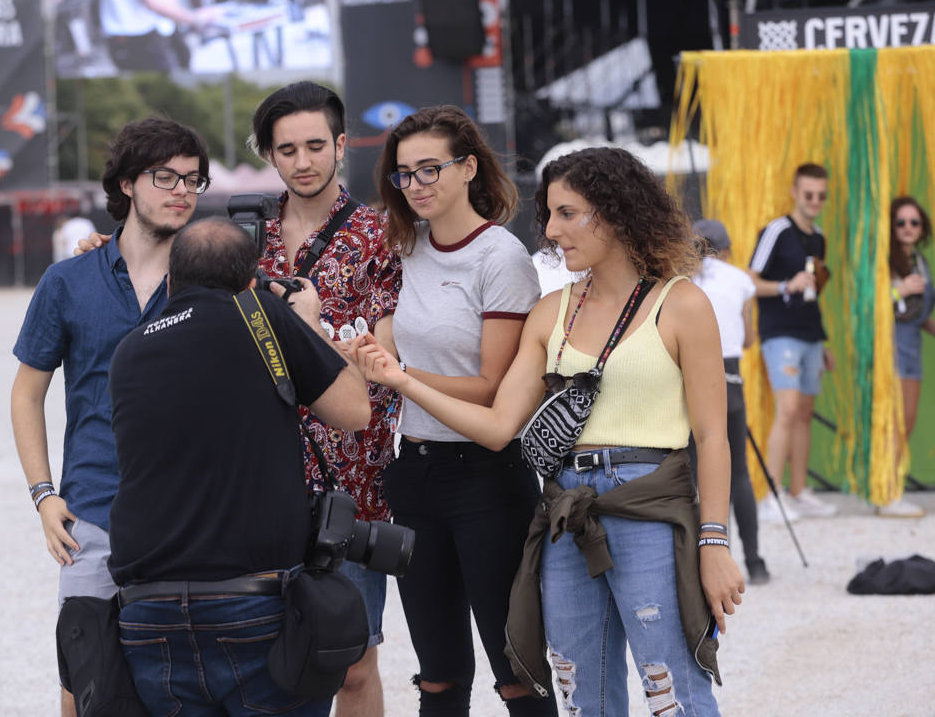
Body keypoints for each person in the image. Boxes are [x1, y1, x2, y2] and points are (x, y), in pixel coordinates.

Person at [354, 146, 744, 715]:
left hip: (652, 508)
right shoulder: (550, 310)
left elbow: (713, 437)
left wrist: (714, 542)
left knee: (673, 692)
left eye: (567, 213)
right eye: (549, 215)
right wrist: (402, 380)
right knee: (579, 694)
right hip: (564, 512)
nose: (551, 231)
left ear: (615, 212)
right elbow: (496, 428)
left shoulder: (681, 303)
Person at [107, 217, 371, 717]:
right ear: (250, 285)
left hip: (148, 610)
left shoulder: (129, 350)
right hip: (253, 604)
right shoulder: (261, 314)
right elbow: (353, 411)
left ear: (170, 281)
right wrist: (307, 322)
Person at [11, 117, 208, 717]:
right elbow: (26, 394)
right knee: (86, 686)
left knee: (184, 689)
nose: (182, 190)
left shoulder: (215, 281)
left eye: (194, 180)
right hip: (94, 512)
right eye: (165, 176)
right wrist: (45, 496)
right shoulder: (68, 281)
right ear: (127, 183)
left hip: (193, 518)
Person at [372, 105, 556, 716]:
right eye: (405, 174)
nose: (417, 184)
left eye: (431, 169)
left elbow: (493, 387)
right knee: (438, 677)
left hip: (486, 477)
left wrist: (398, 377)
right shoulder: (404, 248)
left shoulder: (500, 258)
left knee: (516, 672)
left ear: (469, 167)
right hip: (414, 473)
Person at [251, 81, 401, 717]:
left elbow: (380, 363)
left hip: (353, 477)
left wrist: (307, 332)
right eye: (287, 149)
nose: (303, 161)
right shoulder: (242, 238)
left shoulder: (380, 236)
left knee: (354, 665)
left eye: (316, 145)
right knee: (265, 660)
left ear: (342, 146)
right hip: (258, 476)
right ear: (270, 155)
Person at [749, 163, 836, 523]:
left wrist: (822, 340)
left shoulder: (818, 238)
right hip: (780, 333)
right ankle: (771, 496)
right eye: (808, 194)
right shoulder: (777, 230)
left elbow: (813, 292)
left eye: (821, 196)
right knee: (786, 412)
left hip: (809, 335)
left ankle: (798, 492)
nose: (815, 201)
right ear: (794, 192)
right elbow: (750, 281)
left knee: (803, 415)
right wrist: (786, 286)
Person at [693, 218, 769, 584]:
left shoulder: (679, 279)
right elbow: (750, 337)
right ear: (724, 250)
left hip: (692, 379)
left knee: (693, 473)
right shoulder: (739, 278)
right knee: (738, 471)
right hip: (731, 377)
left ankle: (698, 557)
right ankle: (754, 561)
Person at [881, 196, 935, 518]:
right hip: (891, 345)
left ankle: (894, 485)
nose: (907, 228)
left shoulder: (921, 262)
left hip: (913, 345)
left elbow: (918, 314)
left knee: (908, 420)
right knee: (896, 421)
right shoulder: (883, 261)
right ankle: (888, 492)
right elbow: (871, 304)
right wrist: (898, 290)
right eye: (901, 222)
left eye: (914, 222)